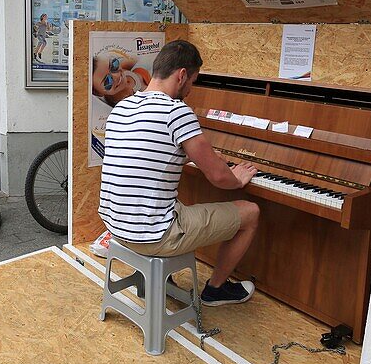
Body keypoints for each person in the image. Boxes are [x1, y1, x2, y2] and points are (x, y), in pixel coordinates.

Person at [97, 39, 261, 306]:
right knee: (251, 213)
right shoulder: (176, 111)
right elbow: (219, 177)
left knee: (178, 204)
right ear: (182, 75)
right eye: (193, 82)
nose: (191, 90)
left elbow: (154, 153)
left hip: (116, 226)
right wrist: (237, 177)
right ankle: (216, 289)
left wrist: (208, 157)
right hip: (153, 235)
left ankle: (162, 276)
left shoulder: (122, 108)